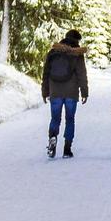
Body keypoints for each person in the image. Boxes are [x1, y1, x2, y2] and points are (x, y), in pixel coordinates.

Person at [41, 30, 88, 158]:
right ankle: (67, 149)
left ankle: (52, 138)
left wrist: (45, 91)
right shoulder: (77, 54)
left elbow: (45, 73)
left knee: (55, 118)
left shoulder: (53, 52)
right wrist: (84, 92)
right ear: (77, 40)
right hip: (71, 93)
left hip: (55, 90)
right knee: (70, 119)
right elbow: (81, 74)